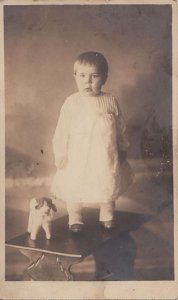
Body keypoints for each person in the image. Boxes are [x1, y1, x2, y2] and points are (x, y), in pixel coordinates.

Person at [51, 51, 131, 233]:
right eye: (82, 76)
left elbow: (120, 127)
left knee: (107, 181)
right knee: (75, 183)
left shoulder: (110, 101)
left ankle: (107, 214)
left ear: (104, 78)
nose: (87, 81)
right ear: (75, 77)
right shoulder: (71, 102)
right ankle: (75, 217)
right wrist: (61, 153)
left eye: (94, 76)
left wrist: (122, 146)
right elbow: (61, 131)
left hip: (105, 154)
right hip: (77, 156)